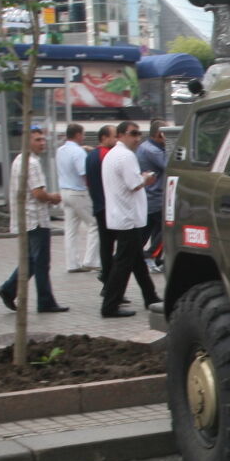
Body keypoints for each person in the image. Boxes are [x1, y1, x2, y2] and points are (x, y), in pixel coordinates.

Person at [0, 130, 70, 315]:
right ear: (26, 142)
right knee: (41, 262)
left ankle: (8, 289)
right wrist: (53, 197)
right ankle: (45, 301)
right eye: (37, 140)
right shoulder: (32, 163)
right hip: (36, 219)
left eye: (43, 139)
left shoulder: (19, 160)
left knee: (30, 260)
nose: (42, 143)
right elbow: (38, 193)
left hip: (26, 218)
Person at [99, 121, 159, 318]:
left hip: (121, 215)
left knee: (136, 260)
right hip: (128, 216)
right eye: (133, 134)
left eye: (139, 133)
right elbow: (133, 184)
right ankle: (110, 304)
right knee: (124, 262)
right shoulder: (125, 156)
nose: (137, 138)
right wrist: (146, 179)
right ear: (121, 135)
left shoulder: (113, 155)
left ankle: (150, 296)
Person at [56, 123, 97, 272]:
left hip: (64, 191)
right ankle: (91, 261)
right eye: (83, 134)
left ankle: (72, 264)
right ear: (78, 135)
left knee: (71, 229)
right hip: (78, 192)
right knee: (94, 224)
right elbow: (84, 173)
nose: (84, 137)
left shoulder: (60, 150)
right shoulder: (78, 152)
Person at [137, 119, 169, 269]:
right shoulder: (153, 150)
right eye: (166, 133)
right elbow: (169, 165)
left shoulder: (145, 147)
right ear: (159, 134)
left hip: (151, 196)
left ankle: (148, 258)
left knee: (149, 231)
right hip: (156, 197)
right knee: (166, 228)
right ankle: (150, 255)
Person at [86, 123, 115, 282]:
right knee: (111, 246)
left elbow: (88, 181)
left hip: (98, 204)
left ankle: (106, 275)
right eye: (114, 136)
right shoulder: (106, 155)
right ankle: (108, 277)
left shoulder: (91, 155)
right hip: (107, 205)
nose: (116, 139)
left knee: (106, 245)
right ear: (104, 138)